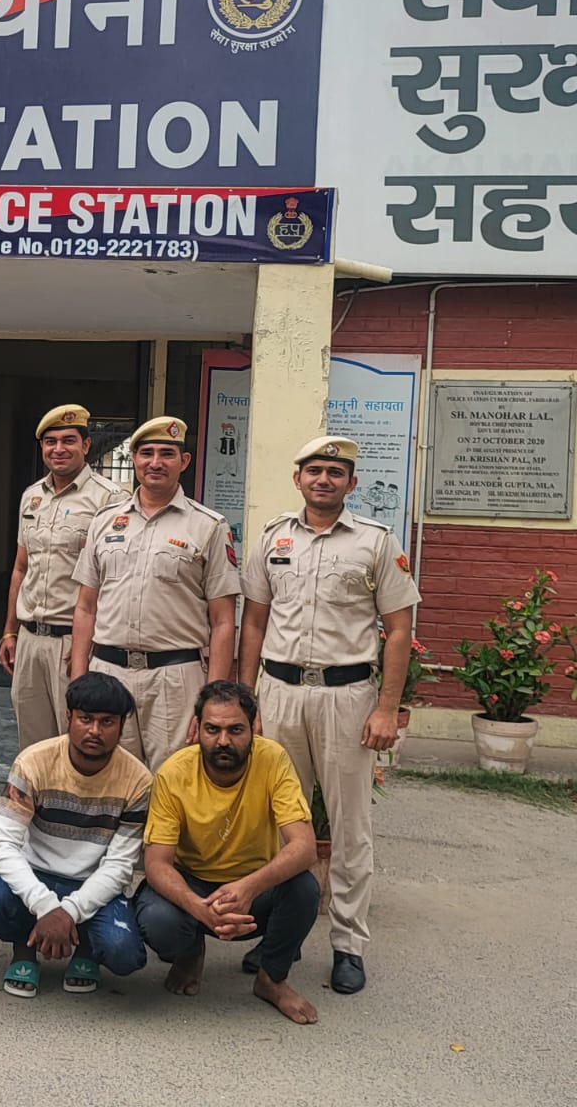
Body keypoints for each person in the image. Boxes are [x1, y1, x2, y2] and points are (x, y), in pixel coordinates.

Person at [237, 435, 421, 995]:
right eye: (314, 470)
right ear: (298, 479)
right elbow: (253, 622)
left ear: (351, 483)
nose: (324, 480)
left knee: (349, 826)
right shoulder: (273, 539)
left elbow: (399, 631)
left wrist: (386, 708)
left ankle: (348, 944)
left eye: (335, 473)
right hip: (280, 692)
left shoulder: (375, 542)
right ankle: (279, 939)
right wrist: (247, 702)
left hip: (347, 697)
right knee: (277, 822)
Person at [133, 681, 321, 1025]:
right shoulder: (174, 772)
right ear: (197, 727)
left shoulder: (273, 759)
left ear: (253, 728)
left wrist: (248, 887)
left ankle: (271, 978)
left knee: (304, 889)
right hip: (192, 885)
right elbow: (156, 863)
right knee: (157, 919)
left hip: (253, 888)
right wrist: (199, 908)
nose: (223, 741)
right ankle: (190, 953)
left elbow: (305, 847)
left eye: (235, 730)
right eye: (212, 729)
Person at [69, 416, 239, 770]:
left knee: (174, 778)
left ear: (184, 461)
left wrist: (214, 701)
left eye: (167, 453)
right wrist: (79, 679)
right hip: (109, 671)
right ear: (133, 458)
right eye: (146, 453)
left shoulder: (208, 526)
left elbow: (223, 621)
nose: (156, 462)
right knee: (109, 777)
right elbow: (85, 608)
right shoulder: (104, 521)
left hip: (175, 678)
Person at [0, 672, 150, 998]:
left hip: (93, 882)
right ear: (68, 717)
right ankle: (24, 949)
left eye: (107, 722)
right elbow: (0, 845)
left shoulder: (138, 781)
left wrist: (69, 912)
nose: (94, 731)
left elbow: (120, 865)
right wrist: (45, 906)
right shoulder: (34, 762)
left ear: (123, 726)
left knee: (123, 951)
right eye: (85, 719)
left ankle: (86, 949)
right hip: (36, 873)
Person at [0, 404, 123, 749]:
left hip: (73, 642)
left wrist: (91, 643)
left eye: (69, 440)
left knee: (78, 741)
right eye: (50, 441)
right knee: (33, 744)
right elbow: (21, 568)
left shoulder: (109, 500)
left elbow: (112, 578)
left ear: (86, 445)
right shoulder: (32, 497)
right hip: (30, 639)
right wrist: (10, 630)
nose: (59, 449)